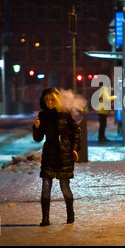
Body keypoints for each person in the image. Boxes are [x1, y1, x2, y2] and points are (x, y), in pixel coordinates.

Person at [33, 87, 81, 226]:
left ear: (57, 100)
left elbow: (76, 131)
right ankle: (45, 219)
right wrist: (36, 127)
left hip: (64, 152)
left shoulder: (65, 113)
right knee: (46, 185)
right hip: (49, 153)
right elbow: (38, 138)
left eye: (52, 99)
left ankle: (70, 215)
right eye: (47, 100)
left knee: (64, 186)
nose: (49, 102)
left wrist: (74, 148)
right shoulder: (42, 116)